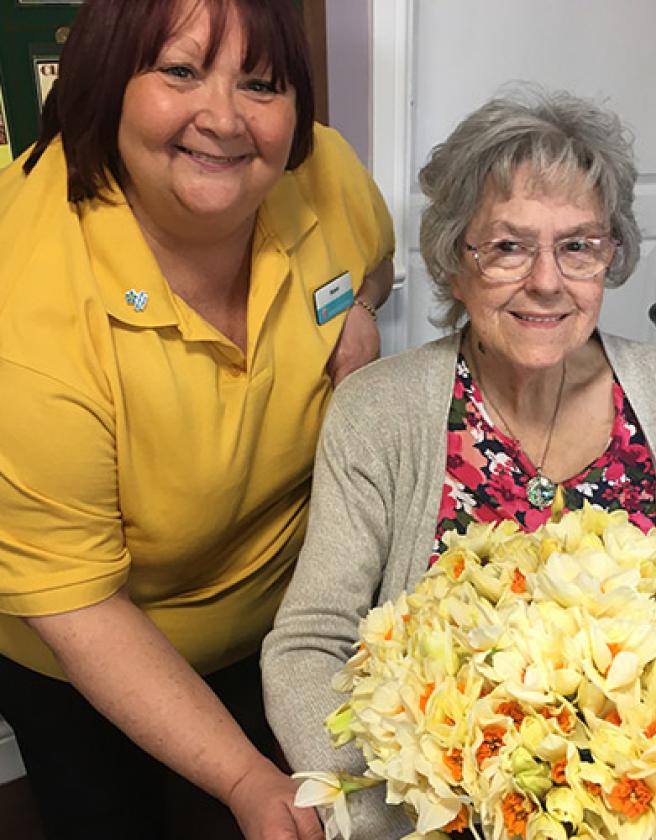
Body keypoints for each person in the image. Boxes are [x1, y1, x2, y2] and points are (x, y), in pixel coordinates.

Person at [262, 90, 656, 839]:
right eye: (507, 246)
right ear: (453, 261)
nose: (548, 280)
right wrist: (403, 816)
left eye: (579, 245)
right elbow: (309, 643)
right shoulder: (377, 413)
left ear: (610, 256)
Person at [0, 0, 394, 837]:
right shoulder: (23, 316)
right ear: (105, 84)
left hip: (280, 616)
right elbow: (80, 608)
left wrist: (357, 305)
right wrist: (247, 779)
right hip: (87, 651)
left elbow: (374, 262)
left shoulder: (322, 170)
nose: (224, 119)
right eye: (179, 71)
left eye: (260, 83)